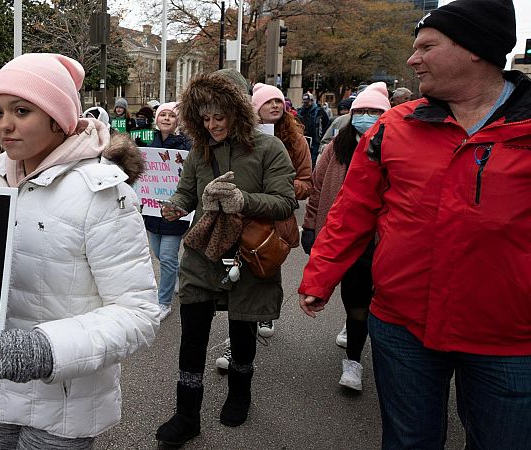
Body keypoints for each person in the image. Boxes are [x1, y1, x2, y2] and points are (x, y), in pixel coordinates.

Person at [299, 0, 531, 447]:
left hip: (509, 338)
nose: (412, 59)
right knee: (407, 441)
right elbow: (352, 210)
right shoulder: (394, 126)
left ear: (474, 49)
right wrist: (320, 276)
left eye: (426, 46)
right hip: (402, 326)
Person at [0, 53, 158, 447]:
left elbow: (138, 313)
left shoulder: (102, 193)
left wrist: (48, 349)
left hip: (64, 405)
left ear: (58, 118)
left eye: (21, 110)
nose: (4, 124)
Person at [155, 71, 296, 447]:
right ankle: (187, 415)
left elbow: (285, 202)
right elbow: (186, 193)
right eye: (204, 117)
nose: (212, 125)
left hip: (248, 256)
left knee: (242, 331)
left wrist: (243, 200)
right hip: (202, 255)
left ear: (238, 111)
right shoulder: (199, 150)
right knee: (192, 337)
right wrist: (174, 206)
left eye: (219, 116)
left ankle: (239, 393)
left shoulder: (269, 148)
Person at [214, 82, 312, 372]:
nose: (275, 105)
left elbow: (306, 183)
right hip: (239, 219)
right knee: (239, 281)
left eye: (278, 101)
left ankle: (261, 317)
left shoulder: (295, 140)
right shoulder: (237, 137)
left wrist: (279, 184)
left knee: (265, 267)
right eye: (268, 102)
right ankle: (237, 340)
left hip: (274, 221)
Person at [302, 82, 390, 391]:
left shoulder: (394, 148)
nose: (366, 117)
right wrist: (310, 226)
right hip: (340, 235)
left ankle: (357, 358)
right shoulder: (336, 148)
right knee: (350, 296)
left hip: (377, 240)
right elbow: (317, 189)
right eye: (360, 111)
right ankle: (353, 343)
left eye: (374, 111)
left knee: (363, 302)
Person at [140, 102, 192, 321]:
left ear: (177, 121)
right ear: (156, 119)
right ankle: (177, 276)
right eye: (163, 115)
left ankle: (164, 302)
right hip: (152, 211)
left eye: (171, 115)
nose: (167, 118)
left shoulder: (186, 146)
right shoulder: (147, 143)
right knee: (159, 254)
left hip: (174, 211)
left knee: (168, 257)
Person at [296, 92, 330, 166]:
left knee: (313, 160)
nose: (305, 104)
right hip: (304, 139)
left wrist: (322, 137)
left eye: (307, 102)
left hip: (315, 141)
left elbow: (327, 124)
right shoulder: (300, 112)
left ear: (312, 101)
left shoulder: (320, 111)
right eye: (304, 102)